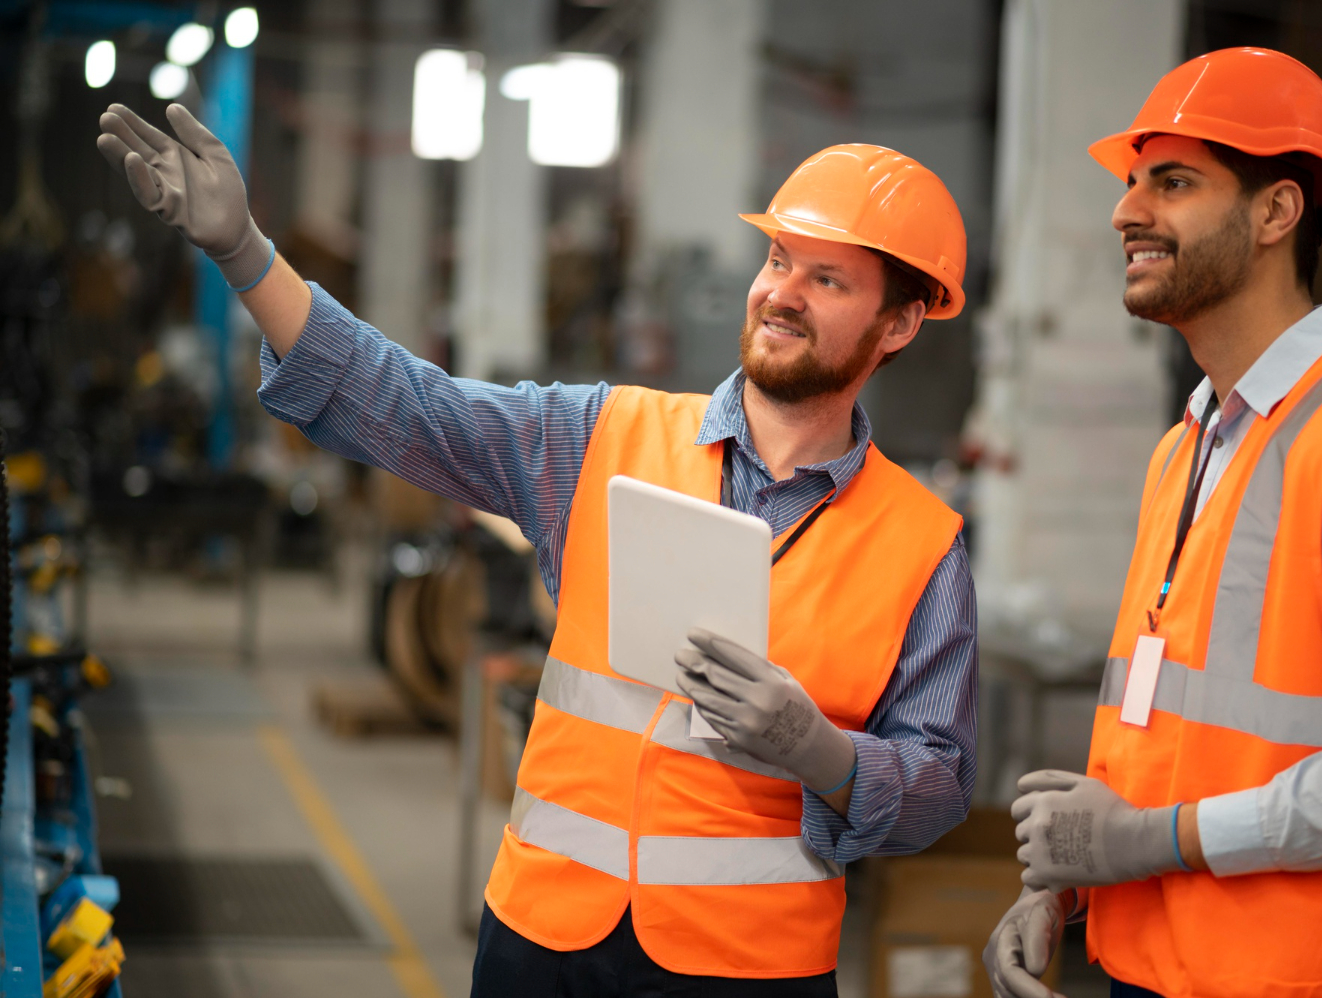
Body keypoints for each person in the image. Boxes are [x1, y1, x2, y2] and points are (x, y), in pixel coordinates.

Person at [97, 106, 979, 995]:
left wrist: (822, 753)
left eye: (828, 279)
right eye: (779, 260)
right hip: (544, 941)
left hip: (751, 967)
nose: (781, 291)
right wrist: (245, 252)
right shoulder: (601, 436)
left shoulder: (922, 548)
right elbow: (405, 404)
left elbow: (939, 787)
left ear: (898, 325)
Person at [984, 47, 1322, 998]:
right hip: (1160, 965)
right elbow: (1178, 733)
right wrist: (1072, 883)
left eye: (1172, 183)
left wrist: (1147, 840)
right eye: (1134, 183)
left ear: (1276, 212)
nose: (1126, 212)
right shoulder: (1191, 447)